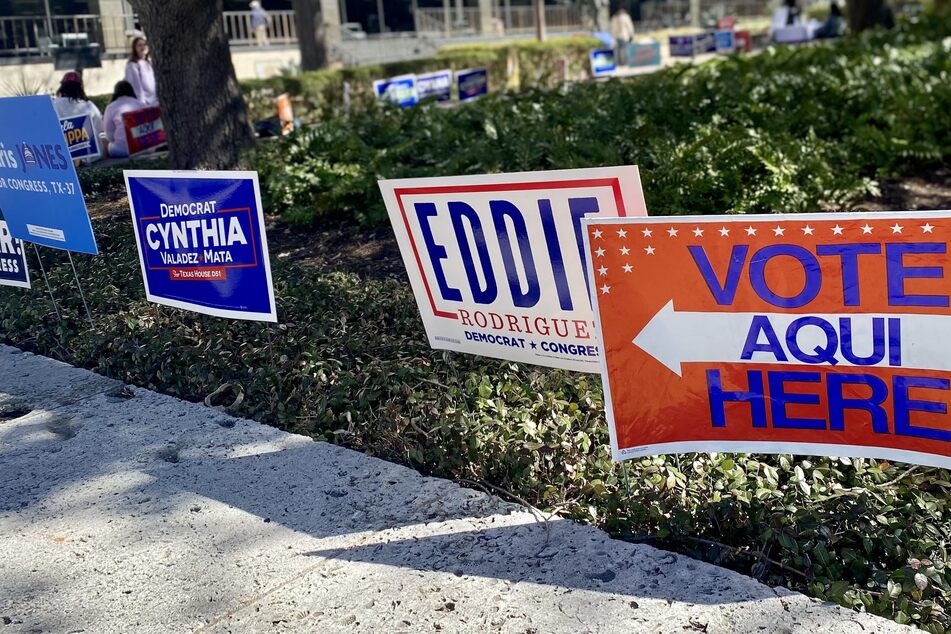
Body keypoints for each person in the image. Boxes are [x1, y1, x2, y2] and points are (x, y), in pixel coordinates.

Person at [52, 71, 103, 163]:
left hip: (65, 156)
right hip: (91, 155)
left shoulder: (54, 105)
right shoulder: (89, 105)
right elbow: (99, 128)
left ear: (62, 87)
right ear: (80, 87)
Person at [102, 80, 142, 159]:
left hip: (122, 150)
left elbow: (109, 135)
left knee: (104, 142)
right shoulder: (141, 104)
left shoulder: (111, 107)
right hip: (144, 147)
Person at [125, 36, 158, 107]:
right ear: (135, 48)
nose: (143, 47)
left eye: (145, 44)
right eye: (139, 45)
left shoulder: (150, 63)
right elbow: (136, 88)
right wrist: (142, 104)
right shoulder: (132, 65)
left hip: (155, 102)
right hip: (145, 104)